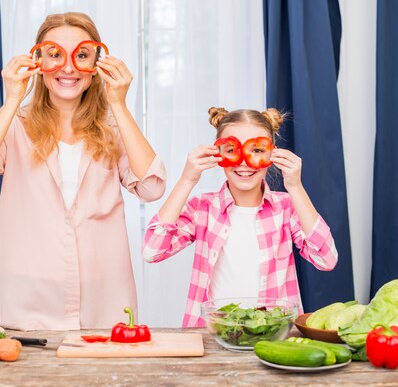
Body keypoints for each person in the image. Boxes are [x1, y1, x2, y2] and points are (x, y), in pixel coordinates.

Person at [0, 12, 166, 330]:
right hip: (26, 302)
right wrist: (12, 99)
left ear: (96, 65)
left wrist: (119, 105)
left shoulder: (113, 127)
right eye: (55, 55)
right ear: (38, 61)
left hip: (103, 303)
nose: (68, 67)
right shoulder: (15, 126)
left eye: (81, 55)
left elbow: (151, 188)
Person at [142, 107, 337, 327]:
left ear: (271, 154)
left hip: (274, 334)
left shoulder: (286, 208)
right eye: (232, 150)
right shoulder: (202, 208)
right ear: (219, 154)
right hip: (214, 335)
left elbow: (327, 259)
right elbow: (152, 251)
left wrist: (295, 186)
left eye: (256, 150)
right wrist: (186, 180)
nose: (244, 162)